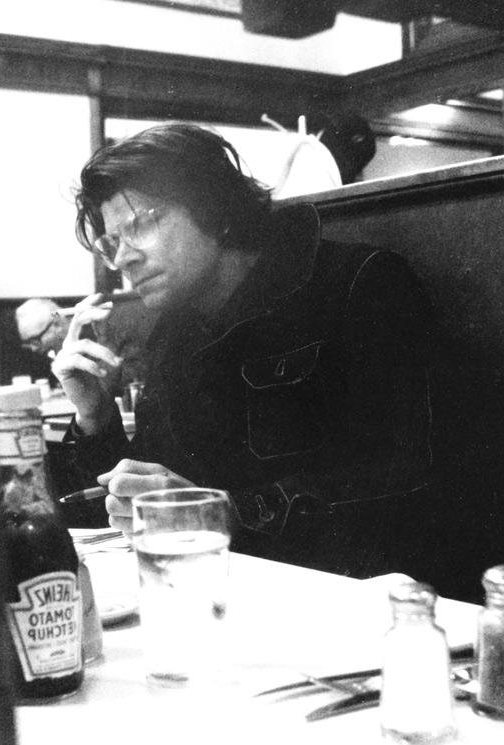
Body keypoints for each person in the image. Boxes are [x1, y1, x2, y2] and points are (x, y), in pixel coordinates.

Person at [52, 123, 434, 578]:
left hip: (345, 599)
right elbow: (137, 502)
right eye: (111, 244)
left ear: (213, 208)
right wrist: (95, 417)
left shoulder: (357, 283)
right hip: (220, 592)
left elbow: (405, 477)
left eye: (143, 223)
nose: (124, 259)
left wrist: (229, 512)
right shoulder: (175, 329)